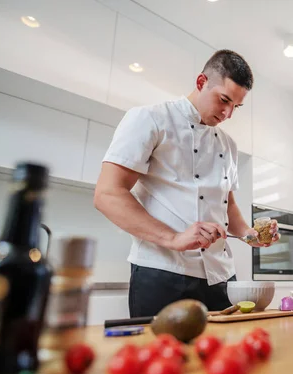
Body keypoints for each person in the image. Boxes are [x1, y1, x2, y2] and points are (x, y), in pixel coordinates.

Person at [94, 49, 280, 316]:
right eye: (223, 100)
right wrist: (174, 238)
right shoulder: (150, 119)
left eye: (235, 107)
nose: (228, 114)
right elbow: (108, 194)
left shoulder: (229, 145)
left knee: (227, 355)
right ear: (201, 82)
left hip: (222, 279)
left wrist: (253, 236)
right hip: (162, 274)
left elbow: (227, 206)